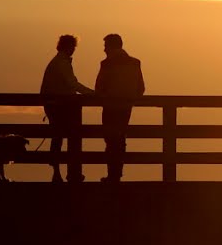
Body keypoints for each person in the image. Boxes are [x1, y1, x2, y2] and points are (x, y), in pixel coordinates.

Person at [41, 34, 93, 183]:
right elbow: (72, 83)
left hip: (54, 105)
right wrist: (92, 94)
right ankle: (70, 172)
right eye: (73, 47)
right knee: (66, 137)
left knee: (58, 137)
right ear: (69, 47)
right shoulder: (62, 63)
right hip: (60, 106)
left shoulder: (57, 61)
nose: (74, 50)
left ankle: (58, 172)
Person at [94, 33, 145, 182]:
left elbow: (98, 88)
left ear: (111, 46)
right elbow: (141, 88)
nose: (104, 50)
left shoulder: (107, 64)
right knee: (121, 138)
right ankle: (118, 173)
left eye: (105, 46)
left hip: (110, 107)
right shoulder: (135, 63)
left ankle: (112, 174)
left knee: (110, 140)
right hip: (126, 107)